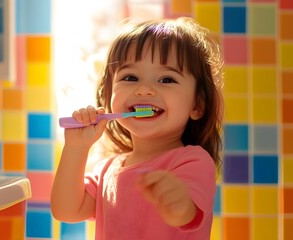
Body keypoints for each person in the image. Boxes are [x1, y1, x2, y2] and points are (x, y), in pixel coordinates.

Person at [51, 17, 224, 239]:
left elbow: (185, 214)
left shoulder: (192, 162)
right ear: (108, 95)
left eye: (167, 79)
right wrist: (76, 147)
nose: (144, 89)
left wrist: (177, 200)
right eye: (130, 77)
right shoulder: (106, 170)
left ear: (197, 105)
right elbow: (65, 210)